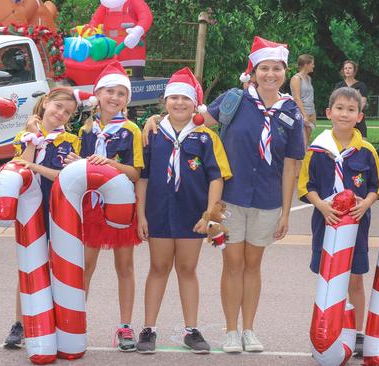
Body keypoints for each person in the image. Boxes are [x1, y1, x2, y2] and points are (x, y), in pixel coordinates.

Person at [141, 36, 305, 353]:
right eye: (264, 68)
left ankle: (249, 330)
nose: (270, 74)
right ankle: (231, 331)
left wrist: (285, 212)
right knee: (232, 264)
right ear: (254, 71)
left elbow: (290, 167)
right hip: (231, 199)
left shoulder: (291, 113)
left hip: (268, 200)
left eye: (276, 68)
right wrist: (156, 118)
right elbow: (195, 119)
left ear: (284, 72)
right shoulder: (234, 100)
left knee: (253, 265)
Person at [135, 67, 231, 354]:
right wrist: (140, 215)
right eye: (173, 98)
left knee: (187, 269)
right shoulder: (151, 133)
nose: (179, 103)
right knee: (158, 267)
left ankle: (191, 330)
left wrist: (211, 216)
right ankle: (148, 328)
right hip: (159, 212)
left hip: (193, 216)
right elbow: (143, 176)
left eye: (185, 99)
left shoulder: (205, 137)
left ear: (195, 105)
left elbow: (216, 177)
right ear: (165, 102)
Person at [297, 87, 379, 357]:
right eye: (340, 108)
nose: (344, 114)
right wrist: (321, 205)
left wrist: (365, 204)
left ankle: (356, 333)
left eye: (351, 110)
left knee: (355, 279)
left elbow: (376, 187)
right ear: (328, 112)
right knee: (328, 279)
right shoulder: (317, 149)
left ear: (359, 116)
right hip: (326, 222)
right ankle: (326, 331)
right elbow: (306, 185)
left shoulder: (367, 150)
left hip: (356, 226)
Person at [65, 61, 143, 352]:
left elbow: (136, 173)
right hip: (87, 208)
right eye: (110, 91)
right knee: (84, 266)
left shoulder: (131, 130)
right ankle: (76, 322)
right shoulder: (83, 128)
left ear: (127, 99)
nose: (115, 97)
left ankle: (125, 326)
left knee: (125, 266)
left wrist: (109, 164)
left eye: (121, 93)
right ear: (97, 93)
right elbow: (71, 167)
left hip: (120, 208)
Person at [4, 87, 81, 349]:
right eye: (58, 107)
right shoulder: (24, 136)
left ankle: (56, 322)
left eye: (68, 112)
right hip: (29, 211)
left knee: (56, 268)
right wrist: (31, 138)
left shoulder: (71, 141)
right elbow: (20, 167)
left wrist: (39, 167)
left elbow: (64, 176)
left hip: (59, 212)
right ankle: (20, 323)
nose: (61, 114)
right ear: (46, 102)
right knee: (29, 267)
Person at [334, 60, 368, 137]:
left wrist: (355, 115)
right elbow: (335, 102)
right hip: (342, 118)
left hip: (357, 117)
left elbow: (362, 102)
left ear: (354, 70)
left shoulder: (361, 85)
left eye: (350, 68)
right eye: (345, 68)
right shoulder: (339, 85)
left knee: (362, 142)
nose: (347, 70)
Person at [290, 54, 316, 146]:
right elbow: (296, 98)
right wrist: (305, 115)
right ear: (306, 64)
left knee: (306, 144)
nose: (313, 66)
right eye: (312, 64)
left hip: (311, 111)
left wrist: (312, 114)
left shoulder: (309, 78)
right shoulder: (296, 78)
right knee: (301, 144)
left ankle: (304, 160)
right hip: (302, 113)